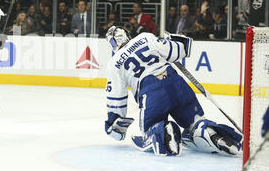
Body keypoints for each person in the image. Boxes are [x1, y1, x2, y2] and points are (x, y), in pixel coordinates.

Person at [104, 26, 242, 156]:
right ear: (127, 35)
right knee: (195, 121)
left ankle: (163, 130)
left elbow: (116, 97)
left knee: (150, 128)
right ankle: (206, 131)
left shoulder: (114, 63)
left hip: (152, 93)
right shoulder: (145, 37)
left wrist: (114, 121)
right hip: (177, 84)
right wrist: (176, 40)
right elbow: (176, 50)